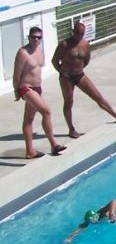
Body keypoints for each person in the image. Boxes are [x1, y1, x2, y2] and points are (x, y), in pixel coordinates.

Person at [51, 22, 116, 139]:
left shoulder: (85, 44)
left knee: (97, 96)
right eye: (77, 34)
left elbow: (86, 60)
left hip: (79, 75)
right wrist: (62, 72)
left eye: (81, 34)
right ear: (73, 32)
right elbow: (54, 61)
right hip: (66, 77)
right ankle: (71, 129)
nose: (79, 36)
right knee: (68, 102)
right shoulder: (64, 44)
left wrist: (78, 69)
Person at [13, 27, 68, 159]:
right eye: (33, 37)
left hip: (37, 88)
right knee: (46, 111)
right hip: (26, 88)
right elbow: (16, 75)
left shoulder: (39, 50)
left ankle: (30, 151)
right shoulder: (23, 53)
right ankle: (54, 144)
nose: (36, 39)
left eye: (39, 37)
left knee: (28, 119)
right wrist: (16, 91)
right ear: (29, 37)